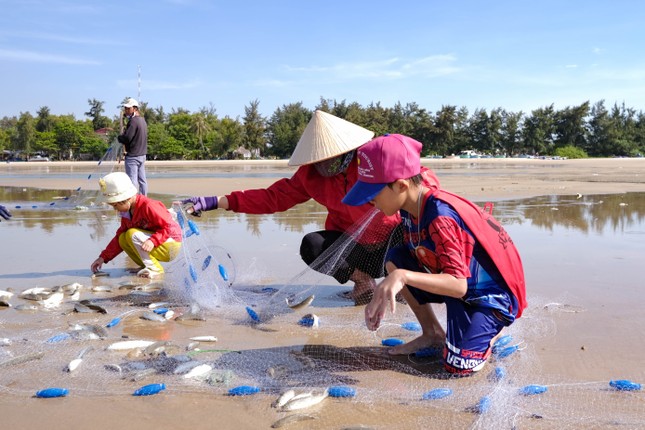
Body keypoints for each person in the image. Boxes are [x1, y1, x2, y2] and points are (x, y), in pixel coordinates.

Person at [342, 134, 527, 375]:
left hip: (489, 295)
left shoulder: (440, 217)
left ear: (401, 185)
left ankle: (494, 328)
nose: (370, 202)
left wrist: (402, 277)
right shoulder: (411, 205)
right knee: (396, 258)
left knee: (459, 366)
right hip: (461, 281)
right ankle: (432, 333)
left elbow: (458, 285)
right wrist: (398, 273)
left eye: (373, 194)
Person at [182, 110, 402, 305]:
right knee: (312, 245)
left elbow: (417, 187)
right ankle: (363, 281)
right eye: (320, 161)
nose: (325, 167)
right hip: (354, 250)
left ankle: (408, 282)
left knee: (413, 233)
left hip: (395, 246)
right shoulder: (310, 176)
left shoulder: (374, 161)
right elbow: (273, 197)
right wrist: (218, 201)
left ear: (348, 151)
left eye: (332, 160)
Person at [91, 172, 182, 278]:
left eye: (115, 205)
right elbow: (118, 239)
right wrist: (103, 258)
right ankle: (146, 265)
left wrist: (153, 240)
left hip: (170, 244)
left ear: (126, 199)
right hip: (156, 242)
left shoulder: (149, 206)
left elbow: (168, 227)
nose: (115, 209)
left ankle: (155, 268)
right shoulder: (127, 213)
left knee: (131, 233)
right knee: (122, 238)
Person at [118, 98, 148, 195]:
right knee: (142, 180)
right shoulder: (142, 121)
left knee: (132, 181)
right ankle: (144, 199)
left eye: (128, 108)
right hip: (142, 155)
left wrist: (120, 138)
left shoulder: (133, 121)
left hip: (133, 157)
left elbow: (127, 138)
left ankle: (133, 203)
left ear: (135, 108)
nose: (126, 110)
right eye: (125, 108)